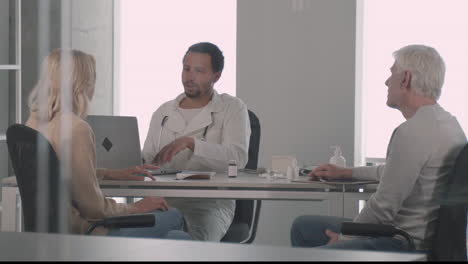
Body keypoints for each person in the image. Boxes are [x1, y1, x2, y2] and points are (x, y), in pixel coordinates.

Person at [290, 45, 467, 252]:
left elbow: (383, 206)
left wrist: (345, 237)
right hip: (428, 240)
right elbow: (395, 172)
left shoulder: (411, 132)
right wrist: (347, 173)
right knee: (303, 226)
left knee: (307, 255)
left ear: (405, 79)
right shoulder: (450, 125)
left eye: (391, 73)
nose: (386, 82)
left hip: (404, 242)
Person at [26, 48, 191, 240]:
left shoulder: (33, 122)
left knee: (175, 237)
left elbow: (59, 174)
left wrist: (110, 173)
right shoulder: (77, 128)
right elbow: (94, 209)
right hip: (86, 232)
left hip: (53, 233)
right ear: (84, 83)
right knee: (174, 216)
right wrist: (135, 207)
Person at [142, 42, 251, 241]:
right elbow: (147, 158)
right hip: (163, 200)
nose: (189, 77)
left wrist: (192, 143)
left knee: (181, 242)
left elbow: (237, 158)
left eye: (199, 71)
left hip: (209, 204)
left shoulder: (232, 108)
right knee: (127, 237)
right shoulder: (163, 112)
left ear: (216, 76)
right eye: (186, 69)